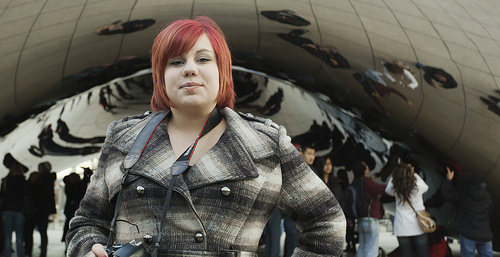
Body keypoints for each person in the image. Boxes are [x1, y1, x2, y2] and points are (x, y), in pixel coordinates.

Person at [67, 16, 346, 257]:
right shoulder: (124, 139)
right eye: (176, 62)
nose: (190, 69)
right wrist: (88, 249)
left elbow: (326, 222)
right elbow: (87, 222)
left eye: (203, 59)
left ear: (222, 71)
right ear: (160, 76)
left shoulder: (265, 144)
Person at [441, 168, 493, 257]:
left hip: (468, 234)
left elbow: (447, 193)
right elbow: (490, 212)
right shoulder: (486, 196)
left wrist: (448, 180)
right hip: (485, 235)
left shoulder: (463, 196)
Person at [385, 163, 430, 257]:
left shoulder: (396, 188)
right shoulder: (418, 186)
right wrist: (414, 173)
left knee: (405, 254)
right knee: (423, 253)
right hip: (419, 225)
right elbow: (426, 187)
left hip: (402, 226)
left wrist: (395, 176)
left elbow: (387, 190)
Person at [355, 161, 387, 257]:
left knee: (362, 246)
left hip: (360, 220)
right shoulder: (368, 183)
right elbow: (384, 189)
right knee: (372, 249)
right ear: (365, 171)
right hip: (371, 219)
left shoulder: (356, 182)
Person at [1, 158, 28, 257]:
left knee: (7, 237)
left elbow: (2, 196)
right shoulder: (22, 180)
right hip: (19, 210)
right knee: (19, 237)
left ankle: (8, 254)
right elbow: (26, 194)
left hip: (6, 210)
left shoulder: (5, 180)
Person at [32, 162, 56, 257]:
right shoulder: (47, 179)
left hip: (41, 209)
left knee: (42, 231)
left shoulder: (45, 180)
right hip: (42, 209)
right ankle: (42, 251)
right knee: (42, 231)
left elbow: (41, 194)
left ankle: (42, 251)